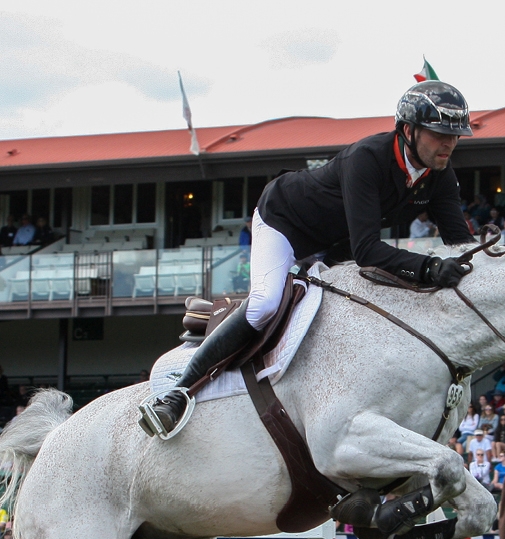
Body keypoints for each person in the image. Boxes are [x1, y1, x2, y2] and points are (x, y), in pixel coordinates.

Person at [140, 81, 477, 438]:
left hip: (336, 242)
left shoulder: (439, 174)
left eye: (455, 136)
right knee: (265, 305)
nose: (449, 144)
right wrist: (429, 267)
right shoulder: (369, 159)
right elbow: (367, 251)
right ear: (408, 131)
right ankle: (178, 393)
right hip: (286, 223)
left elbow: (459, 242)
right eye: (440, 133)